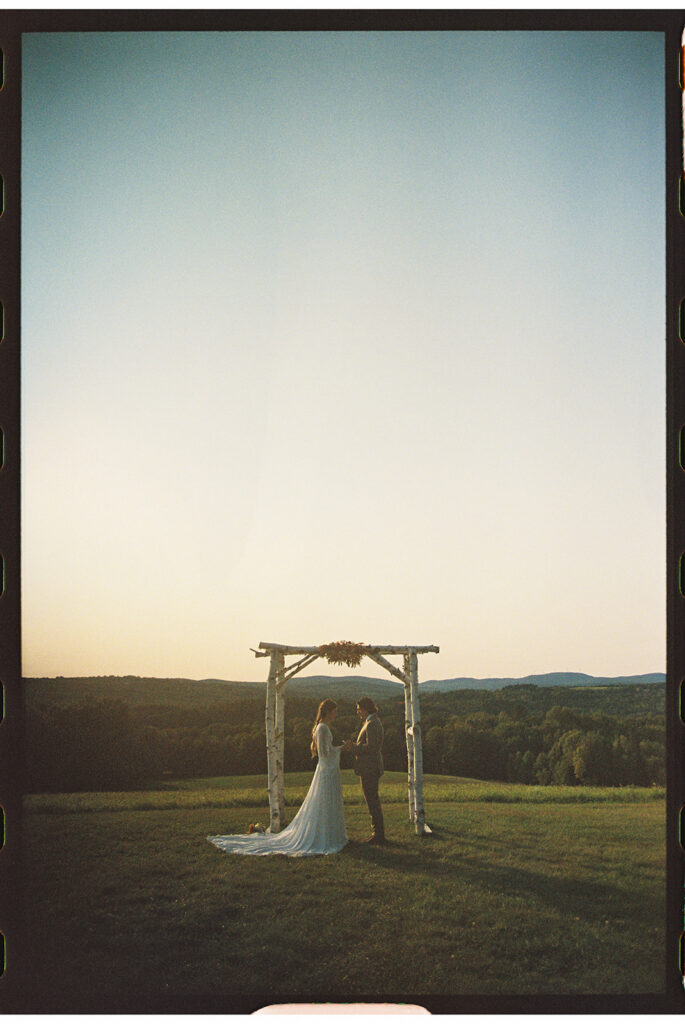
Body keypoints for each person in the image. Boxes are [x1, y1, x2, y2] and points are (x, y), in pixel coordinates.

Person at [208, 698, 348, 857]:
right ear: (328, 711)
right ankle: (325, 836)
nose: (337, 714)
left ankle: (328, 833)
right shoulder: (322, 728)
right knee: (324, 801)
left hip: (327, 770)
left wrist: (338, 748)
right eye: (335, 711)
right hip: (326, 771)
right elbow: (325, 754)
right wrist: (343, 748)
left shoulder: (322, 727)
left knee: (325, 802)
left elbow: (326, 751)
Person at [346, 696, 386, 844]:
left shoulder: (372, 723)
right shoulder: (371, 721)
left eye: (358, 709)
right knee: (372, 800)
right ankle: (377, 833)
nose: (357, 712)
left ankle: (378, 835)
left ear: (365, 709)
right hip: (369, 767)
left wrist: (354, 747)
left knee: (372, 801)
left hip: (370, 768)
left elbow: (372, 747)